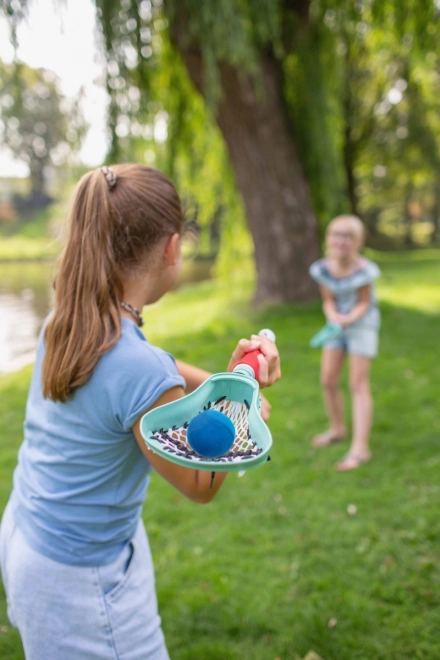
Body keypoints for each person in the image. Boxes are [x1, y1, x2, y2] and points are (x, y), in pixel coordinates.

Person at [0, 164, 281, 660]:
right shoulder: (136, 367)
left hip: (32, 534)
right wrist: (241, 400)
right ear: (171, 248)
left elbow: (156, 370)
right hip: (82, 580)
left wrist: (228, 377)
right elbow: (200, 485)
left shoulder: (67, 320)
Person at [309, 214, 380, 471]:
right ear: (329, 238)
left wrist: (349, 319)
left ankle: (361, 448)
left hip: (362, 324)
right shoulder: (322, 269)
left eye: (347, 235)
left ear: (358, 241)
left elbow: (364, 301)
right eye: (336, 234)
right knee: (328, 380)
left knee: (357, 384)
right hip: (337, 324)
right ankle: (338, 429)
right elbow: (328, 300)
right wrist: (333, 316)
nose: (341, 240)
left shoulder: (365, 271)